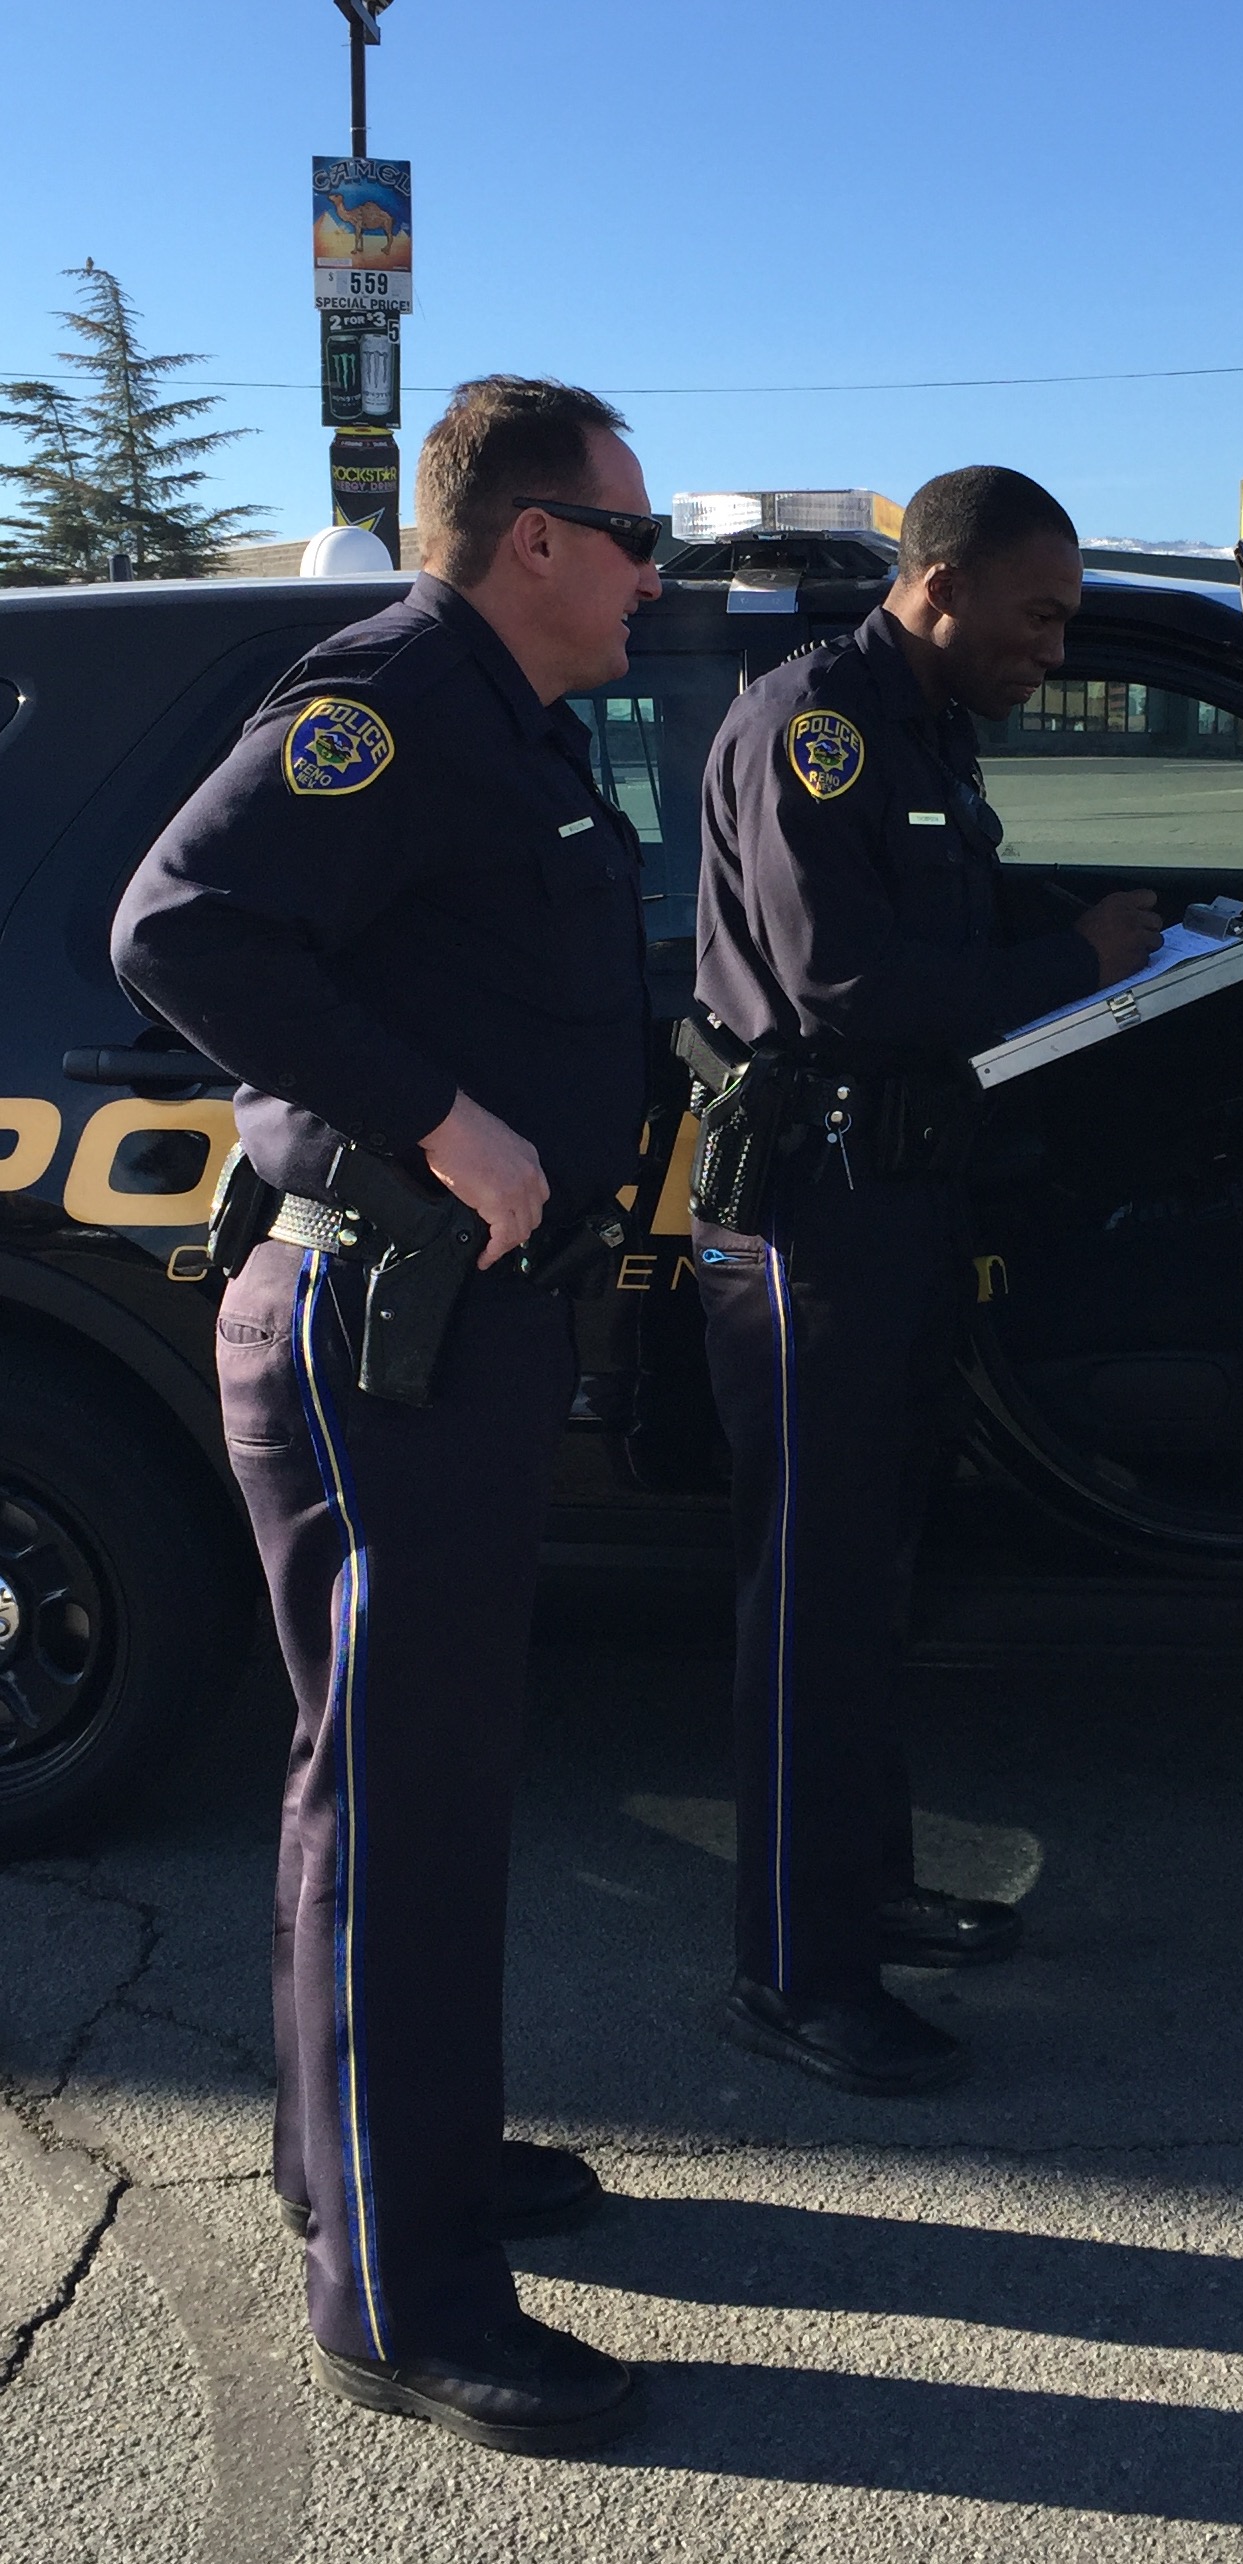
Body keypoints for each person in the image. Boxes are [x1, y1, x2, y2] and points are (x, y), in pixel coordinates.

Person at [110, 377, 660, 2455]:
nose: (647, 577)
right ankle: (396, 2291)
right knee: (395, 1790)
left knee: (408, 1776)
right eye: (633, 538)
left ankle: (372, 2157)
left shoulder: (506, 719)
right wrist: (443, 1124)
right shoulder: (402, 690)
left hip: (455, 1327)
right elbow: (176, 921)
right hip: (377, 1329)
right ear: (532, 537)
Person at [691, 464, 1161, 2097]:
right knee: (808, 1602)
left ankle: (862, 1890)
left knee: (869, 1581)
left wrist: (1129, 947)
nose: (1057, 646)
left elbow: (933, 923)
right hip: (813, 1216)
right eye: (1038, 616)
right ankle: (792, 1971)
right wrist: (1081, 963)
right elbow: (849, 981)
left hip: (893, 1201)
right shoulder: (818, 724)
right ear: (941, 586)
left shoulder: (926, 728)